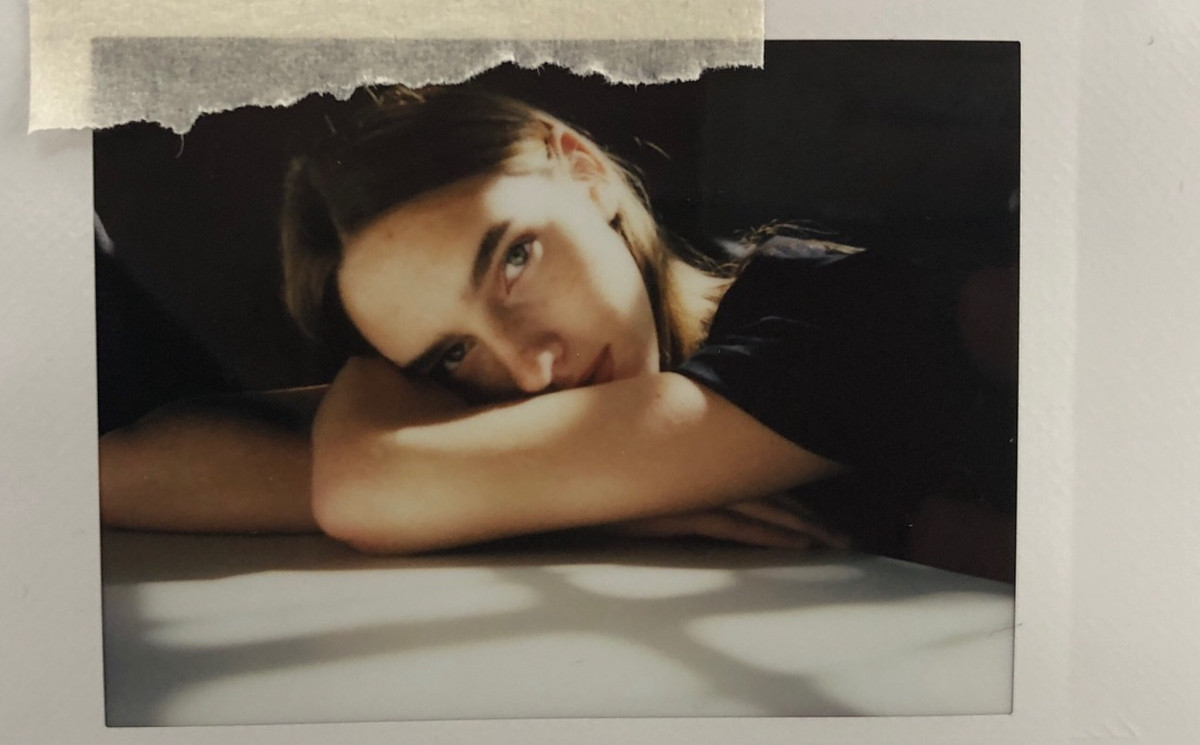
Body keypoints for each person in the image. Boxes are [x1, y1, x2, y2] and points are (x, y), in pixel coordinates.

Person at [99, 86, 1017, 578]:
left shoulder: (832, 317)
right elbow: (117, 471)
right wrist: (582, 491)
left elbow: (362, 488)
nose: (532, 368)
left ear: (579, 168)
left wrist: (514, 490)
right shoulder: (517, 398)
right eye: (448, 352)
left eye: (513, 261)